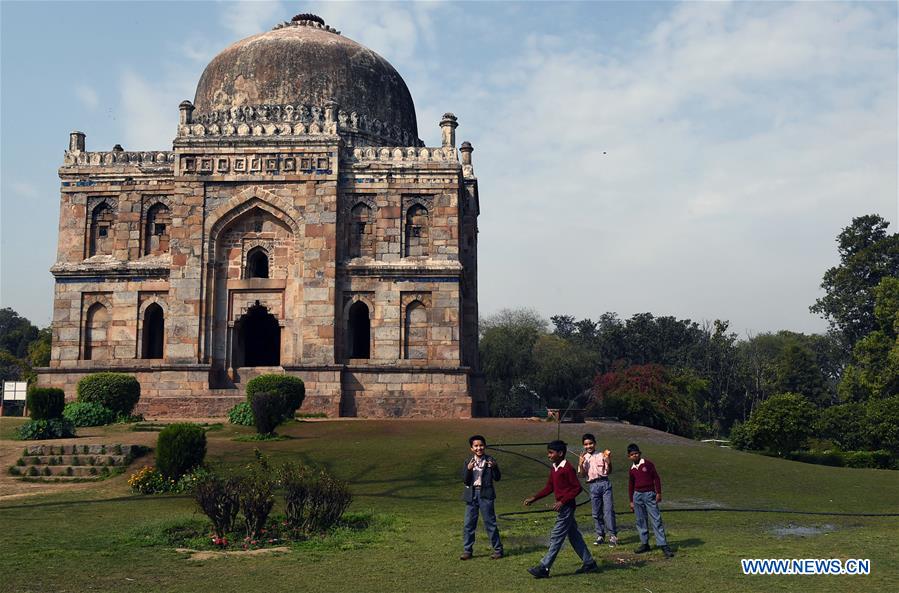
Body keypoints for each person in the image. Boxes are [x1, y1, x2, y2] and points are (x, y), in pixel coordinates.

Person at [523, 440, 597, 578]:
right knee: (574, 536)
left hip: (567, 507)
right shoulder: (554, 468)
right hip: (563, 507)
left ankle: (544, 567)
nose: (549, 455)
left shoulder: (567, 468)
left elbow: (577, 488)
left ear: (560, 453)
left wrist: (562, 501)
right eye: (548, 452)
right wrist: (535, 497)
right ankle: (589, 563)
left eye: (551, 453)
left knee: (557, 536)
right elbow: (549, 487)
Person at [627, 443, 674, 558]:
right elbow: (631, 485)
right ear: (629, 456)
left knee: (656, 519)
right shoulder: (632, 469)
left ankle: (663, 544)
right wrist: (631, 500)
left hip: (649, 494)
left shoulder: (647, 464)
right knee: (640, 520)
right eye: (632, 455)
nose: (635, 456)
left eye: (636, 453)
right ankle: (645, 543)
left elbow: (656, 478)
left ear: (640, 453)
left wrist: (658, 492)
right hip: (637, 495)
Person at [460, 434, 503, 560]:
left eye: (481, 445)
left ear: (485, 446)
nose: (479, 448)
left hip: (486, 495)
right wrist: (468, 470)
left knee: (490, 523)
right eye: (476, 446)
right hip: (471, 495)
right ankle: (467, 551)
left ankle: (498, 550)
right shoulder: (468, 461)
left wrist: (494, 467)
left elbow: (498, 478)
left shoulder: (490, 460)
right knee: (469, 524)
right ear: (472, 448)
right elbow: (465, 481)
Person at [577, 433, 618, 546]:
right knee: (596, 512)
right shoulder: (583, 458)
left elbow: (609, 471)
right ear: (583, 445)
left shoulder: (601, 455)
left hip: (604, 483)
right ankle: (600, 535)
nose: (588, 446)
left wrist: (608, 462)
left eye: (590, 443)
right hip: (593, 485)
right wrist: (581, 464)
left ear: (595, 444)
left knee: (608, 511)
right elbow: (581, 475)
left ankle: (613, 536)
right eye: (586, 444)